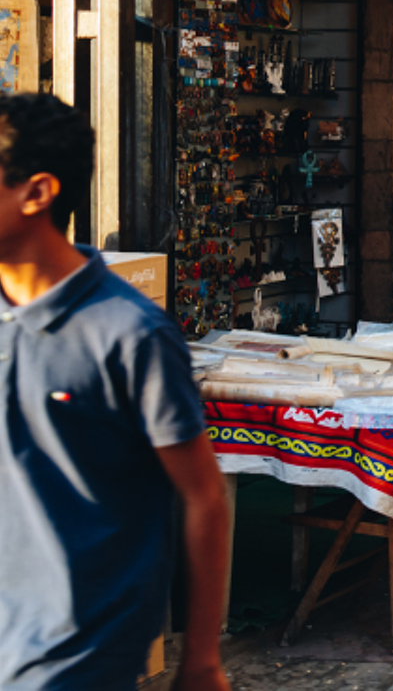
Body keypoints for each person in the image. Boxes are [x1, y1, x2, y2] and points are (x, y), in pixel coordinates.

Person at [0, 95, 232, 690]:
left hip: (76, 653)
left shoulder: (130, 334)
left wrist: (201, 659)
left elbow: (204, 496)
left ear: (36, 192)